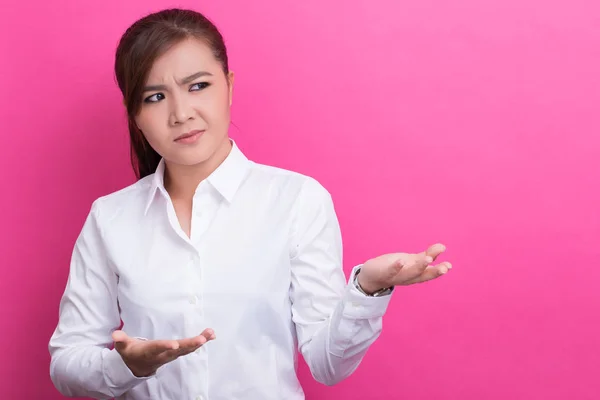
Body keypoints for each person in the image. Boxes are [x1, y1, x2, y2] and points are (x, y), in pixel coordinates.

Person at [48, 8, 452, 400]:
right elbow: (67, 363)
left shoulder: (296, 200)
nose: (181, 113)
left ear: (229, 85)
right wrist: (129, 366)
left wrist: (367, 288)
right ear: (134, 114)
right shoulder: (111, 218)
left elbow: (328, 365)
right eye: (155, 96)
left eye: (198, 86)